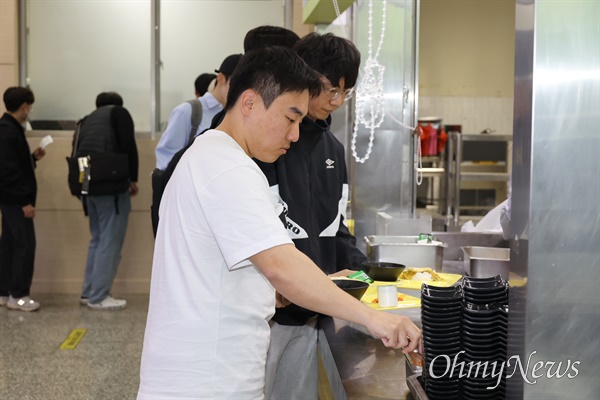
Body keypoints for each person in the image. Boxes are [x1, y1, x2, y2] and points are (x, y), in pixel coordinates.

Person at [137, 46, 422, 400]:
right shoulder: (229, 167)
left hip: (199, 374)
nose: (295, 135)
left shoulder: (209, 155)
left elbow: (237, 274)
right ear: (250, 103)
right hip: (208, 381)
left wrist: (317, 284)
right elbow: (279, 266)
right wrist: (374, 318)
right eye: (290, 119)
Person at [260, 32, 366, 400]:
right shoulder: (268, 144)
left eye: (344, 93)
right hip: (267, 314)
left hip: (311, 312)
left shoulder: (333, 149)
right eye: (329, 90)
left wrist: (362, 271)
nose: (335, 102)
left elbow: (336, 225)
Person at [151, 53, 242, 235]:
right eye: (237, 85)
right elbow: (166, 158)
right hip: (184, 204)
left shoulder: (236, 114)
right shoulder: (189, 111)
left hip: (216, 204)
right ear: (221, 79)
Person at [76, 92, 139, 310]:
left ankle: (89, 292)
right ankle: (99, 296)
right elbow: (128, 145)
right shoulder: (118, 113)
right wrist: (133, 178)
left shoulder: (87, 120)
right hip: (109, 186)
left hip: (87, 186)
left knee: (97, 240)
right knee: (109, 242)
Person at [0, 86, 45, 312]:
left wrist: (32, 158)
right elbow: (8, 171)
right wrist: (24, 201)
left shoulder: (9, 129)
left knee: (8, 243)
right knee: (25, 244)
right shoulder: (8, 131)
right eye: (30, 106)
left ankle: (4, 290)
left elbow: (15, 163)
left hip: (9, 199)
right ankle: (18, 294)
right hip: (16, 200)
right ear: (25, 106)